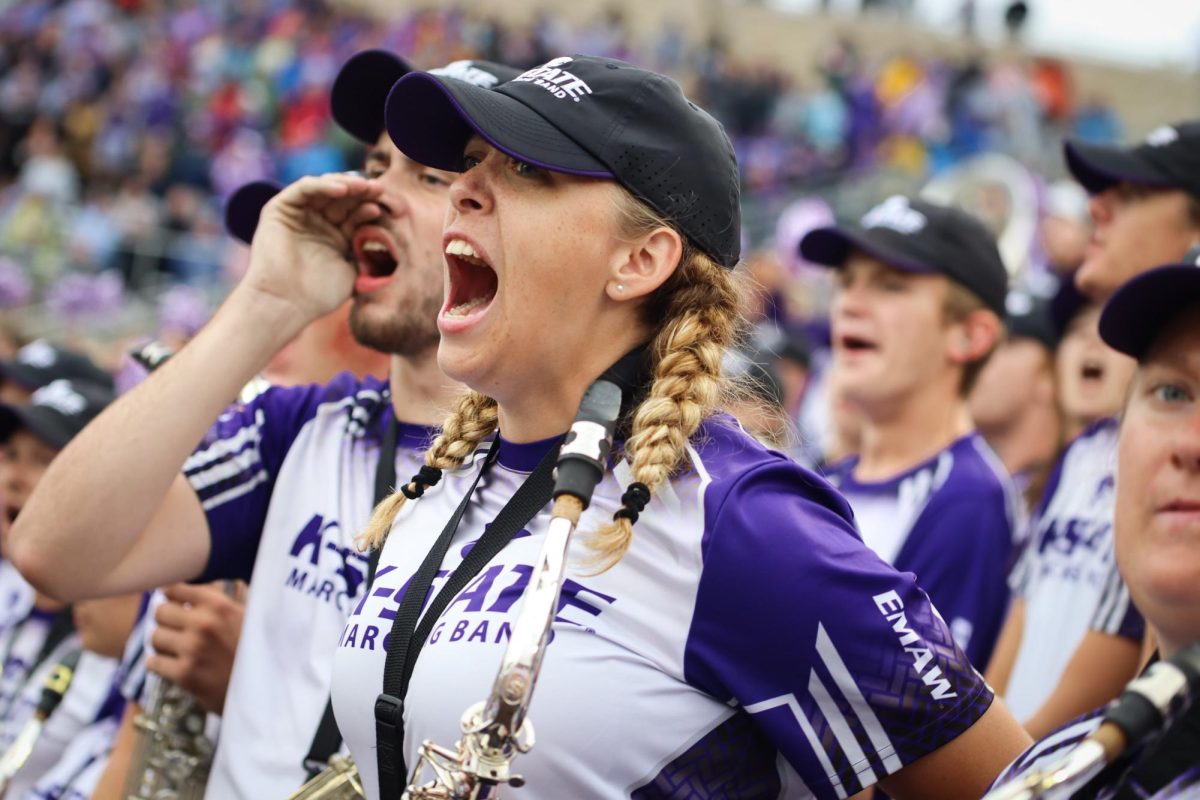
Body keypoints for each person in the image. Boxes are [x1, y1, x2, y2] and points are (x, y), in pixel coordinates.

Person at [329, 54, 1030, 800]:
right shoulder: (447, 475)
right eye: (470, 162)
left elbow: (1012, 785)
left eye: (529, 171)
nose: (463, 188)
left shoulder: (737, 518)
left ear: (639, 260)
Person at [8, 53, 518, 798]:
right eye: (376, 165)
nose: (377, 195)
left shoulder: (560, 473)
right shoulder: (302, 428)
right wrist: (267, 301)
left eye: (430, 178)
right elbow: (50, 552)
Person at [985, 120, 1200, 739]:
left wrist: (1016, 773)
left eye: (1133, 194)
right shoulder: (1089, 449)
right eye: (1171, 393)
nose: (1096, 205)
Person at [800, 195, 1020, 668]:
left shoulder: (967, 498)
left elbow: (904, 714)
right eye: (846, 282)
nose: (850, 304)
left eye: (890, 286)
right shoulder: (829, 478)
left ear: (970, 335)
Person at [0, 378, 120, 797]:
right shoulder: (7, 591)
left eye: (43, 460)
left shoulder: (113, 631)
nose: (14, 476)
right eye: (10, 454)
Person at [969, 291, 1061, 516]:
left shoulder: (1072, 492)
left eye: (1007, 343)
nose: (979, 354)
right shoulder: (967, 481)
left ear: (1050, 376)